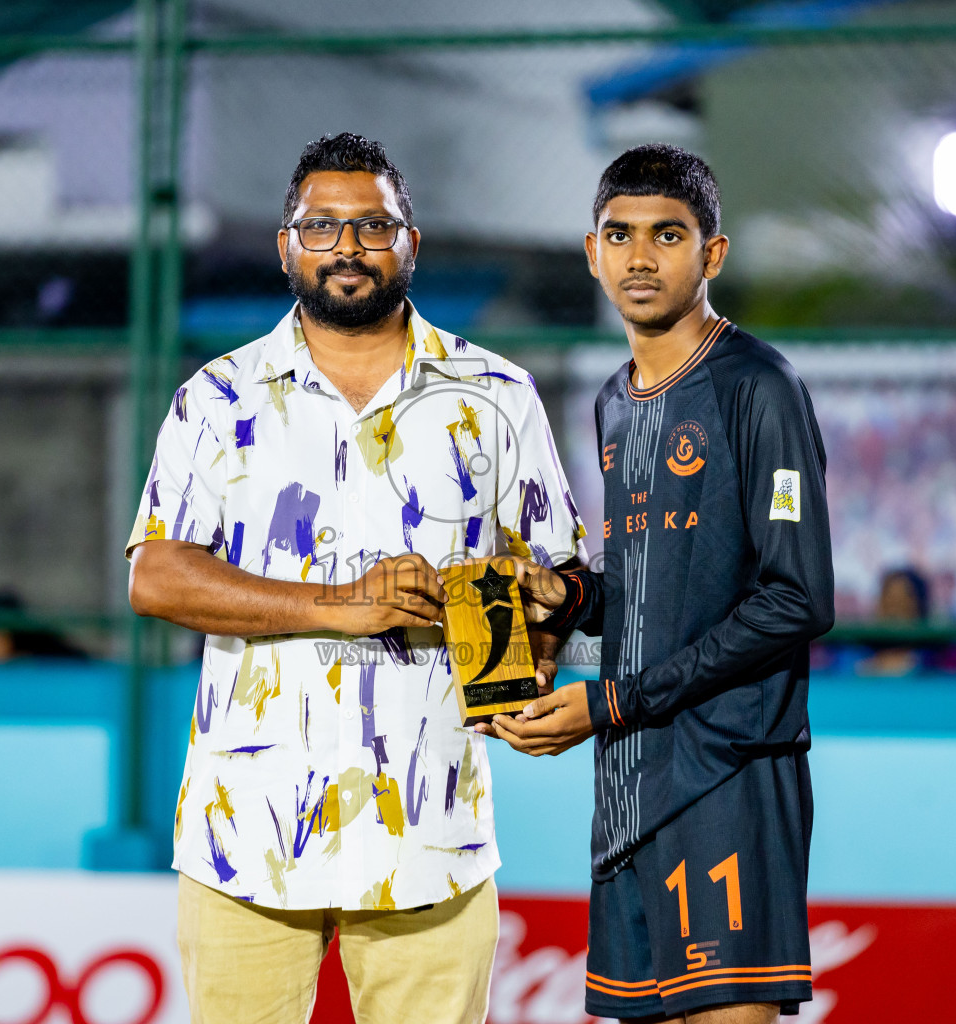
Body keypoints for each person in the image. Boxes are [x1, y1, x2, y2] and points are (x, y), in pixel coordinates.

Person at [124, 133, 586, 1024]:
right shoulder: (217, 398)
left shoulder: (496, 395)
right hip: (246, 834)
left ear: (413, 242)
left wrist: (539, 646)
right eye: (321, 226)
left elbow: (557, 568)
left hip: (431, 830)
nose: (347, 245)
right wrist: (341, 604)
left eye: (373, 225)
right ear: (286, 246)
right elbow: (156, 577)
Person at [484, 145, 834, 1024]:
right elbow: (657, 593)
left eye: (667, 235)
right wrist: (573, 602)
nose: (640, 257)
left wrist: (610, 704)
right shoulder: (614, 400)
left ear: (711, 254)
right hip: (630, 783)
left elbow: (797, 599)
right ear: (591, 252)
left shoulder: (759, 387)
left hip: (727, 774)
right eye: (621, 235)